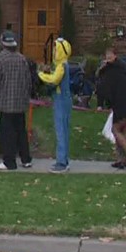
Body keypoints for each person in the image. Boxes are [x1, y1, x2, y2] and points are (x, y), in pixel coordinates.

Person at [0, 31, 33, 171]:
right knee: (21, 131)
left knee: (7, 133)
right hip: (20, 103)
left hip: (5, 103)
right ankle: (26, 159)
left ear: (3, 43)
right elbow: (28, 82)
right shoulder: (22, 59)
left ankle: (9, 162)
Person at [38, 37, 73, 173]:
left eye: (55, 48)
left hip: (61, 100)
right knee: (63, 129)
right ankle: (63, 160)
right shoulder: (62, 65)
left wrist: (41, 75)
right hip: (63, 99)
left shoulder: (61, 66)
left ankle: (61, 163)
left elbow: (54, 80)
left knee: (61, 130)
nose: (53, 51)